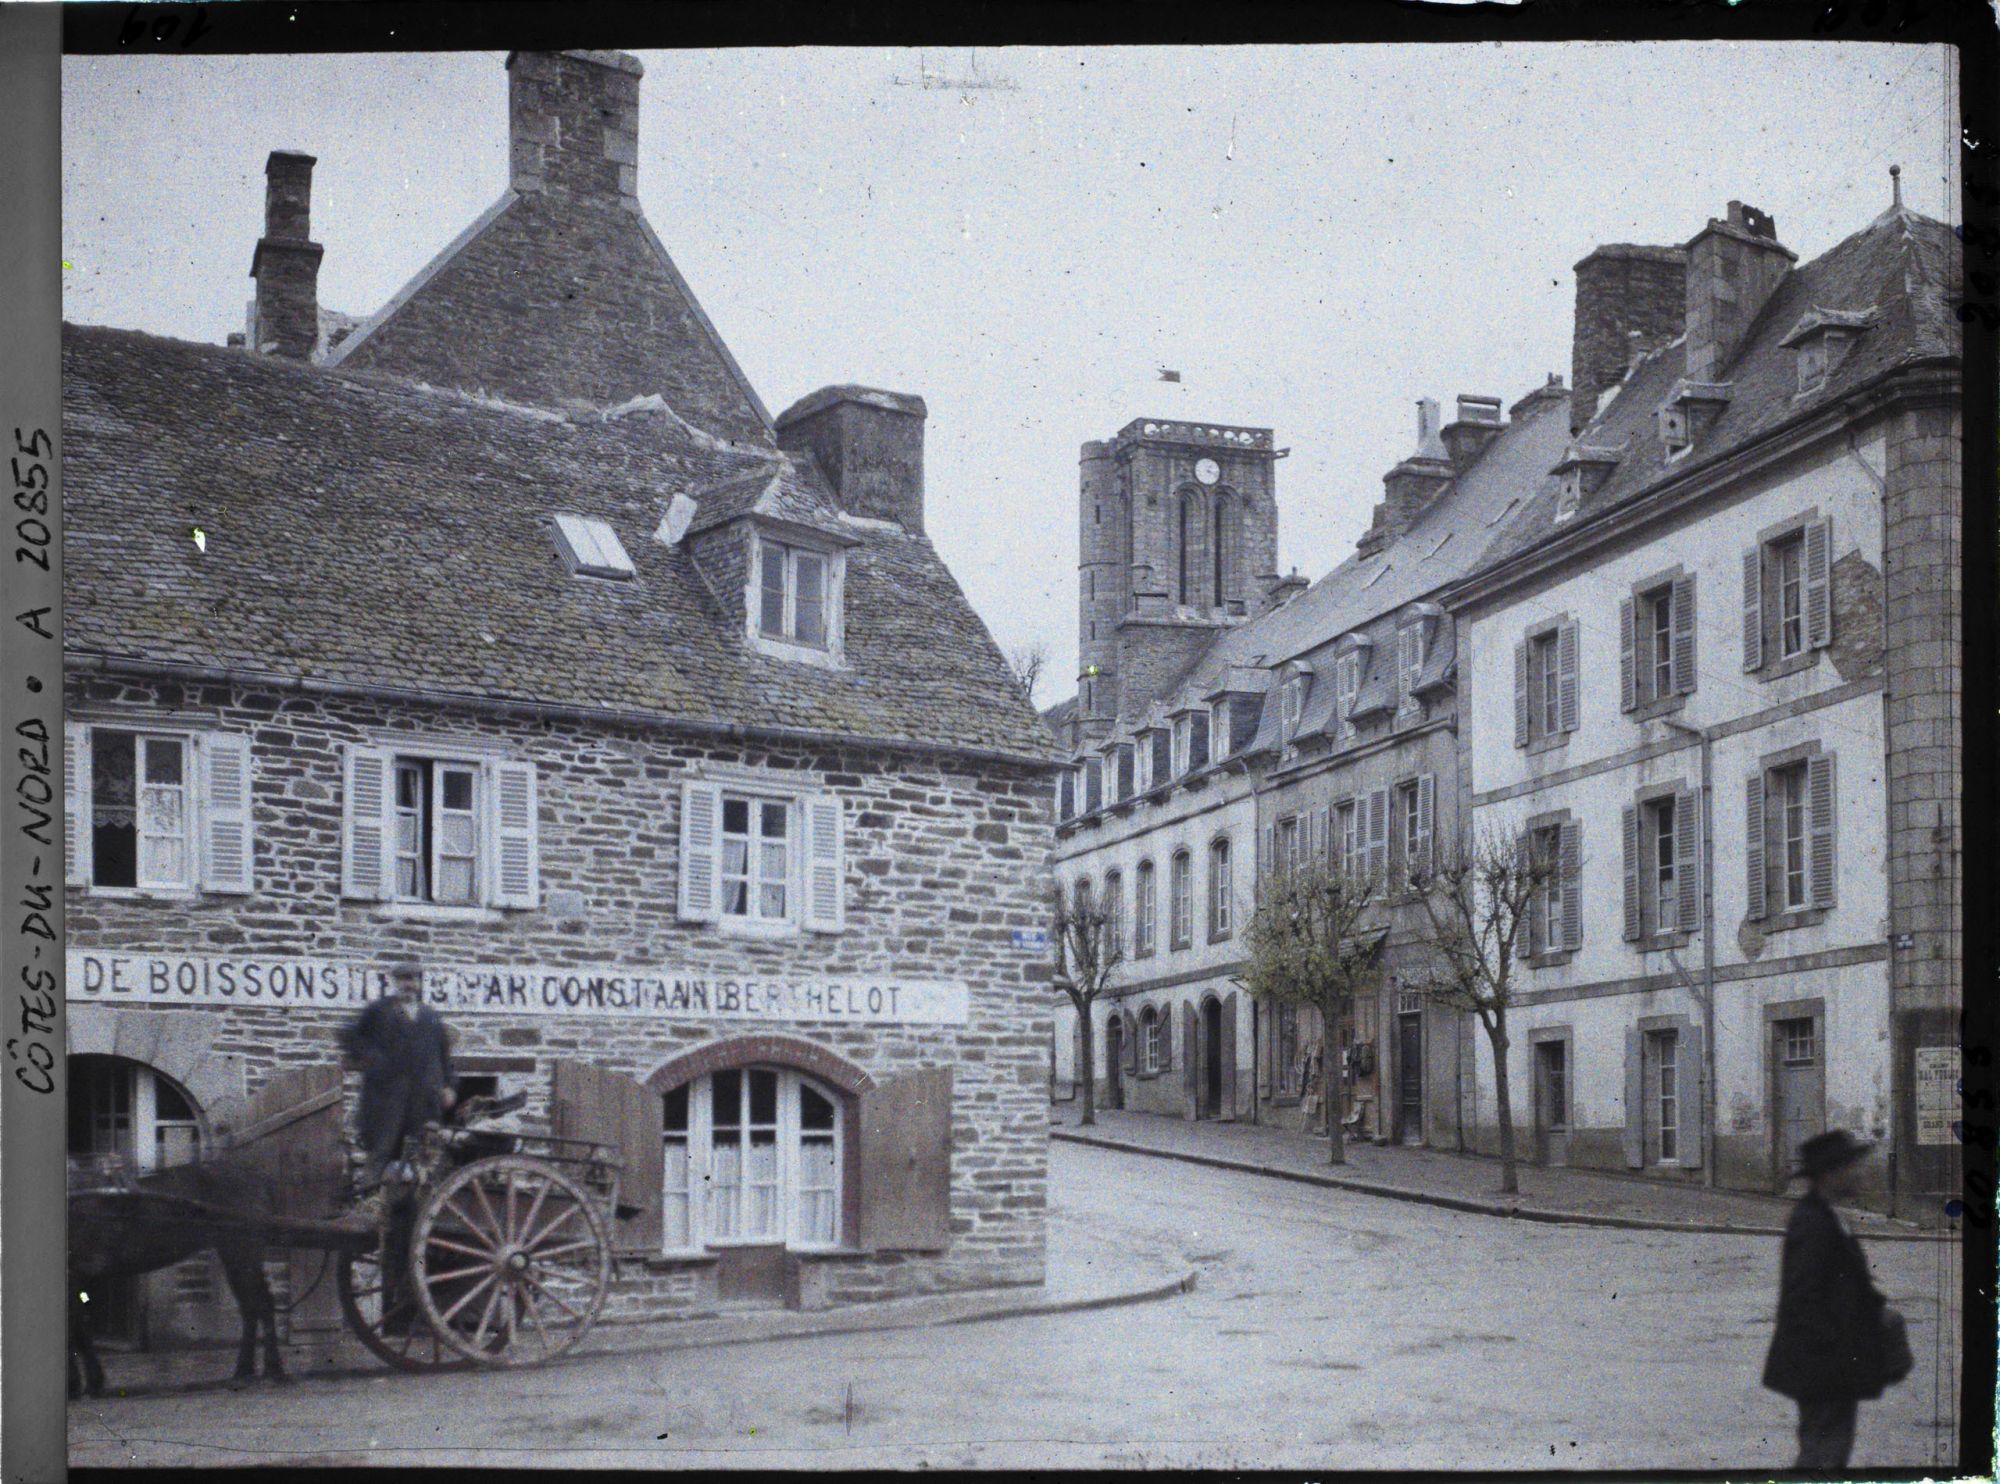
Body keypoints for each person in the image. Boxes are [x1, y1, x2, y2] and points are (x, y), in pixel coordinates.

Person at [1761, 1129, 1895, 1470]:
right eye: (1853, 1166)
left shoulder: (1829, 1214)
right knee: (1822, 1459)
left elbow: (1846, 1283)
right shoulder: (1812, 1221)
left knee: (1827, 1453)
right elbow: (1801, 1299)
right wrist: (1839, 1352)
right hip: (1823, 1369)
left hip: (1830, 1367)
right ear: (1830, 1174)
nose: (1861, 1173)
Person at [340, 961, 456, 1189]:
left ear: (420, 983)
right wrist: (373, 1060)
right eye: (404, 979)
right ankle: (367, 1204)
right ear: (394, 982)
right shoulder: (378, 1011)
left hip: (421, 1103)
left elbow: (445, 1058)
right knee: (380, 1156)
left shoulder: (430, 1018)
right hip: (386, 1103)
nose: (409, 984)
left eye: (413, 979)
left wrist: (449, 1086)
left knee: (421, 1160)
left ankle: (415, 1211)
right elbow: (349, 1036)